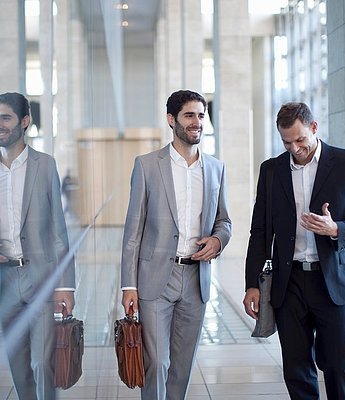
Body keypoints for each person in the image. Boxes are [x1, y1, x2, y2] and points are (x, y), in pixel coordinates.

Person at [243, 102, 345, 400]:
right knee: (296, 367)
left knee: (339, 365)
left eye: (300, 139)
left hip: (332, 282)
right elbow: (260, 231)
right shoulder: (271, 170)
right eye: (287, 142)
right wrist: (252, 283)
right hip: (288, 284)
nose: (295, 148)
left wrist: (336, 229)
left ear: (314, 128)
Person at [120, 89, 232, 400]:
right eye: (189, 115)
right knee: (157, 362)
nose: (197, 122)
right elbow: (133, 230)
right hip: (155, 278)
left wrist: (218, 239)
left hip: (196, 279)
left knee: (182, 365)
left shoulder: (215, 168)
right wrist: (128, 285)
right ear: (172, 120)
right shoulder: (147, 165)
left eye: (200, 115)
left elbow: (225, 220)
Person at [0, 92, 75, 400]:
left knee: (42, 362)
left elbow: (59, 230)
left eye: (5, 118)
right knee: (18, 365)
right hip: (3, 280)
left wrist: (66, 286)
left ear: (24, 122)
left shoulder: (45, 166)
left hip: (40, 277)